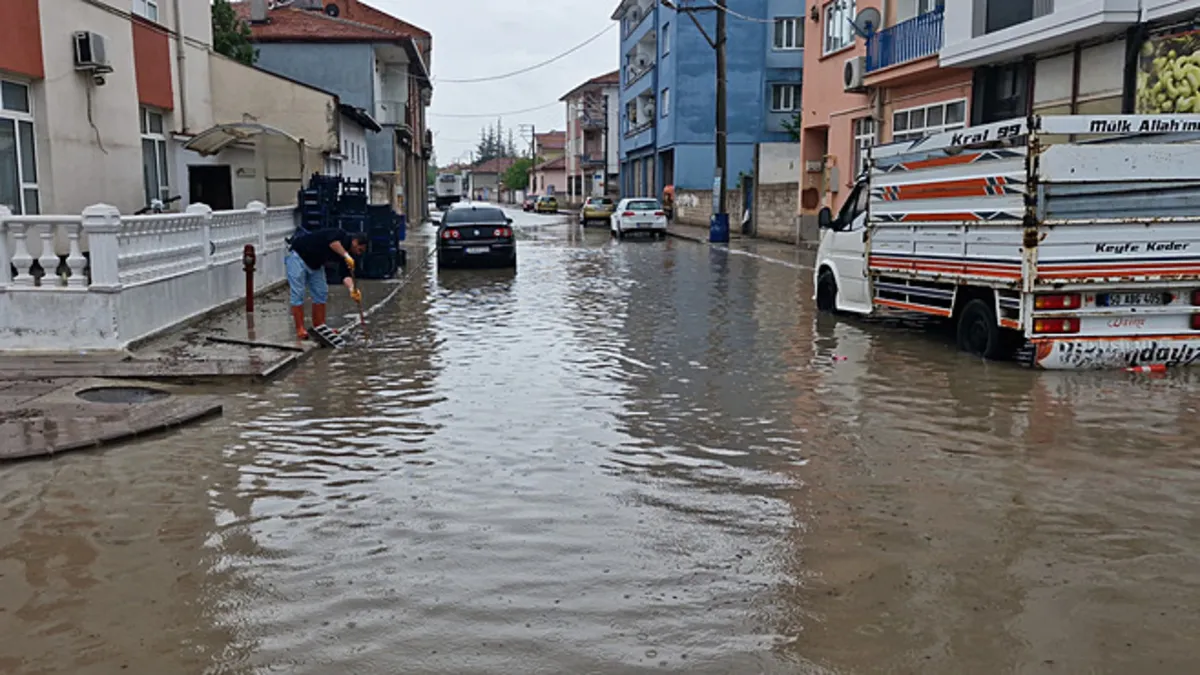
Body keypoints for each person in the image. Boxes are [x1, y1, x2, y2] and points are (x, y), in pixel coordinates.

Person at [286, 229, 367, 340]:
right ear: (355, 242)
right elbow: (333, 242)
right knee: (298, 293)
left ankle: (320, 326)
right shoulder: (340, 235)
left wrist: (352, 288)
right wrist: (345, 255)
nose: (359, 253)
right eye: (360, 249)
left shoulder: (349, 257)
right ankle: (300, 328)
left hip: (316, 264)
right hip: (298, 256)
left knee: (321, 292)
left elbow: (345, 275)